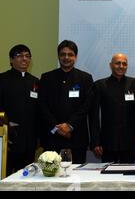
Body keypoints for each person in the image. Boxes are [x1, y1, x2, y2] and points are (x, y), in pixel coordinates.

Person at [39, 40, 94, 163]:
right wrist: (57, 128)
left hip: (77, 137)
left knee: (77, 178)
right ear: (58, 56)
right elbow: (42, 106)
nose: (66, 57)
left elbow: (86, 106)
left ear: (76, 57)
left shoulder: (85, 78)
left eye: (70, 54)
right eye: (63, 54)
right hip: (52, 137)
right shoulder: (47, 78)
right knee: (50, 176)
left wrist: (70, 125)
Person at [90, 53, 135, 163]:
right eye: (118, 63)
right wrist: (95, 141)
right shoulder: (99, 85)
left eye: (124, 64)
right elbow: (94, 116)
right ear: (111, 65)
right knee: (108, 177)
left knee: (129, 175)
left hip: (129, 142)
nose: (121, 66)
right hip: (107, 142)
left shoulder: (134, 84)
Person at [0, 44, 39, 175]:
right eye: (20, 55)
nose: (24, 59)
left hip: (29, 141)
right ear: (11, 60)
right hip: (8, 139)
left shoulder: (35, 81)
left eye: (27, 56)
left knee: (26, 178)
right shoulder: (2, 79)